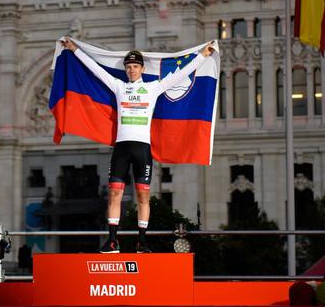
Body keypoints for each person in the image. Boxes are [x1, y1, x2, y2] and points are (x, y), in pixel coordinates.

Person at [60, 38, 215, 253]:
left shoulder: (153, 88)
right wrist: (74, 49)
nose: (131, 70)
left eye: (135, 66)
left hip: (142, 149)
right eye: (128, 67)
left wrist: (203, 55)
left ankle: (142, 241)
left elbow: (180, 75)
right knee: (114, 194)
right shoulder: (119, 86)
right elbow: (94, 69)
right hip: (121, 149)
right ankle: (113, 241)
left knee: (143, 196)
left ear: (142, 68)